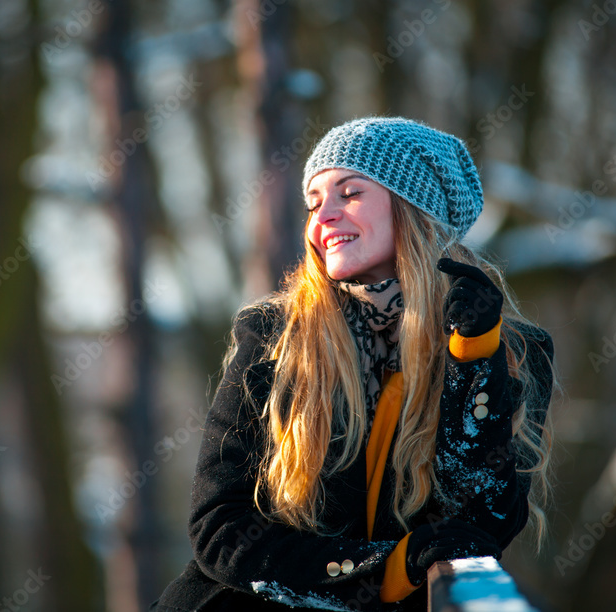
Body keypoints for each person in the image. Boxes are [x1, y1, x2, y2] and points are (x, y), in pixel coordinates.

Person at [151, 116, 558, 611]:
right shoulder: (275, 335)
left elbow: (481, 519)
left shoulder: (509, 349)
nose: (324, 217)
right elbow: (220, 526)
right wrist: (383, 570)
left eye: (350, 193)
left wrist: (472, 358)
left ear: (413, 207)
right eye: (315, 201)